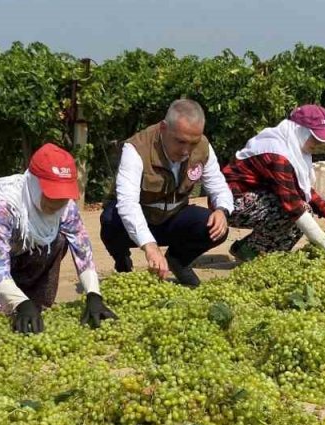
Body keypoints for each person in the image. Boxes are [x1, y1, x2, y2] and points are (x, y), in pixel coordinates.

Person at [0, 143, 117, 335]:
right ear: (34, 184)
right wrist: (20, 303)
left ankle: (30, 300)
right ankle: (8, 298)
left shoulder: (64, 206)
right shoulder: (2, 205)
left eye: (63, 196)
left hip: (13, 255)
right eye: (51, 195)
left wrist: (94, 294)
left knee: (58, 240)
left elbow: (81, 248)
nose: (57, 203)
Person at [98, 99, 234, 287]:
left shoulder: (202, 146)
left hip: (173, 217)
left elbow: (218, 185)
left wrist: (222, 210)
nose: (186, 150)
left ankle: (178, 261)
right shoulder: (136, 148)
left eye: (192, 142)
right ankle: (122, 263)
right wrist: (149, 246)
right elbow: (128, 204)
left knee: (215, 228)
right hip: (139, 220)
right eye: (180, 141)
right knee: (109, 220)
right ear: (163, 128)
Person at [222, 104, 325, 262]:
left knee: (303, 210)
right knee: (300, 211)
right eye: (315, 137)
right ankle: (257, 255)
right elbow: (293, 203)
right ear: (300, 130)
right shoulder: (277, 153)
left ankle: (250, 251)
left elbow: (301, 189)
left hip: (257, 198)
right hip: (230, 204)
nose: (318, 143)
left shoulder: (293, 148)